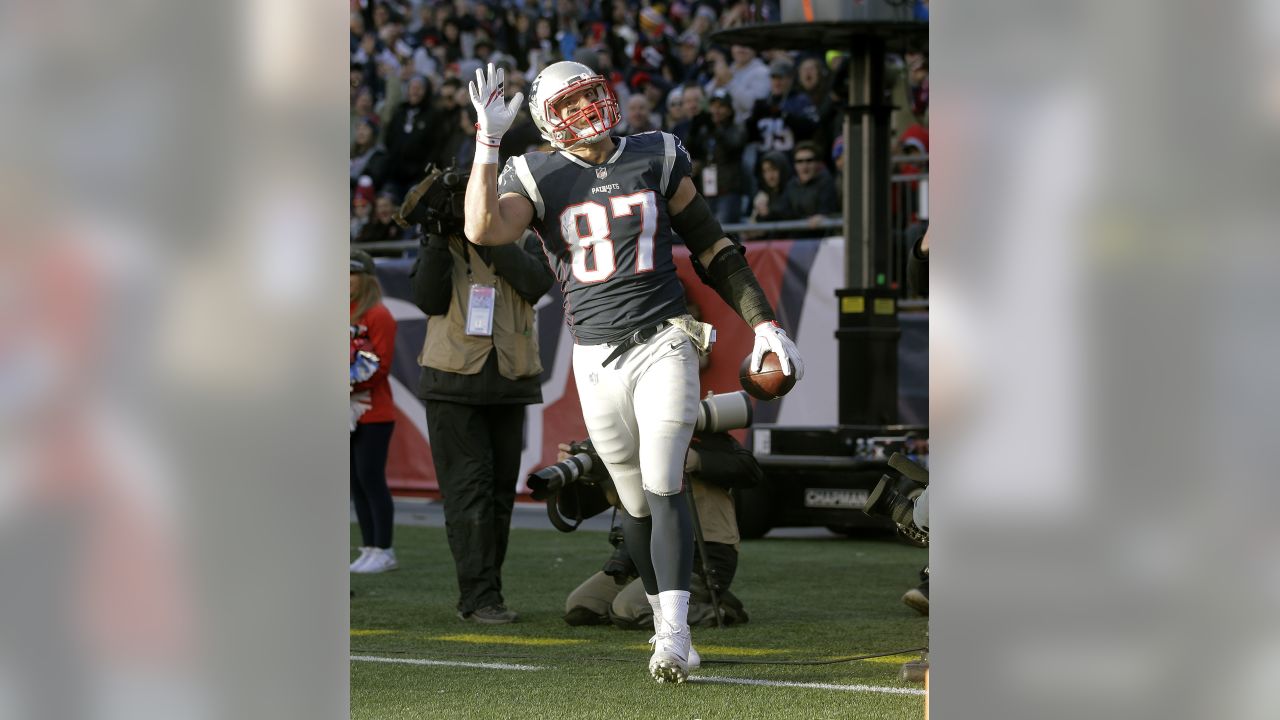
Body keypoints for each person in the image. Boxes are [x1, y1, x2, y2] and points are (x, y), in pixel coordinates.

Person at [463, 61, 804, 684]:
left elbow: (713, 247)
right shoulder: (535, 171)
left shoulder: (657, 153)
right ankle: (663, 620)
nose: (589, 108)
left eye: (593, 92)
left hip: (664, 337)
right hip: (593, 354)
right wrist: (487, 143)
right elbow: (483, 228)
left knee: (664, 474)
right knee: (635, 502)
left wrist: (764, 323)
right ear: (544, 121)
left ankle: (673, 638)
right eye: (571, 103)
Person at [407, 169, 555, 625]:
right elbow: (427, 299)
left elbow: (536, 283)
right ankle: (478, 598)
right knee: (468, 492)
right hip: (453, 383)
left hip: (509, 381)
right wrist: (436, 235)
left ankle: (487, 592)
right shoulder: (441, 243)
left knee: (497, 498)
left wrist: (484, 232)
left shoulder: (525, 239)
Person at [561, 428, 761, 629]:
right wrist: (574, 477)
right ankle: (654, 597)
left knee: (629, 609)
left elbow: (750, 470)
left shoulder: (691, 430)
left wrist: (699, 460)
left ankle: (722, 610)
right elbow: (578, 511)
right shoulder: (618, 440)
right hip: (640, 555)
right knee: (582, 606)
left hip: (701, 554)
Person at [349, 249, 399, 574]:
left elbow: (380, 365)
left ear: (365, 279)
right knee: (353, 481)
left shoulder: (378, 314)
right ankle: (368, 547)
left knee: (371, 478)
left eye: (351, 275)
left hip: (374, 413)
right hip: (346, 411)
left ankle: (385, 549)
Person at [686, 90, 748, 225]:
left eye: (721, 106)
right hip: (707, 192)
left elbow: (733, 147)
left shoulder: (737, 129)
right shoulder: (706, 131)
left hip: (728, 193)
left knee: (723, 235)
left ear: (730, 110)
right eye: (713, 106)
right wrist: (693, 131)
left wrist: (715, 129)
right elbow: (688, 153)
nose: (716, 110)